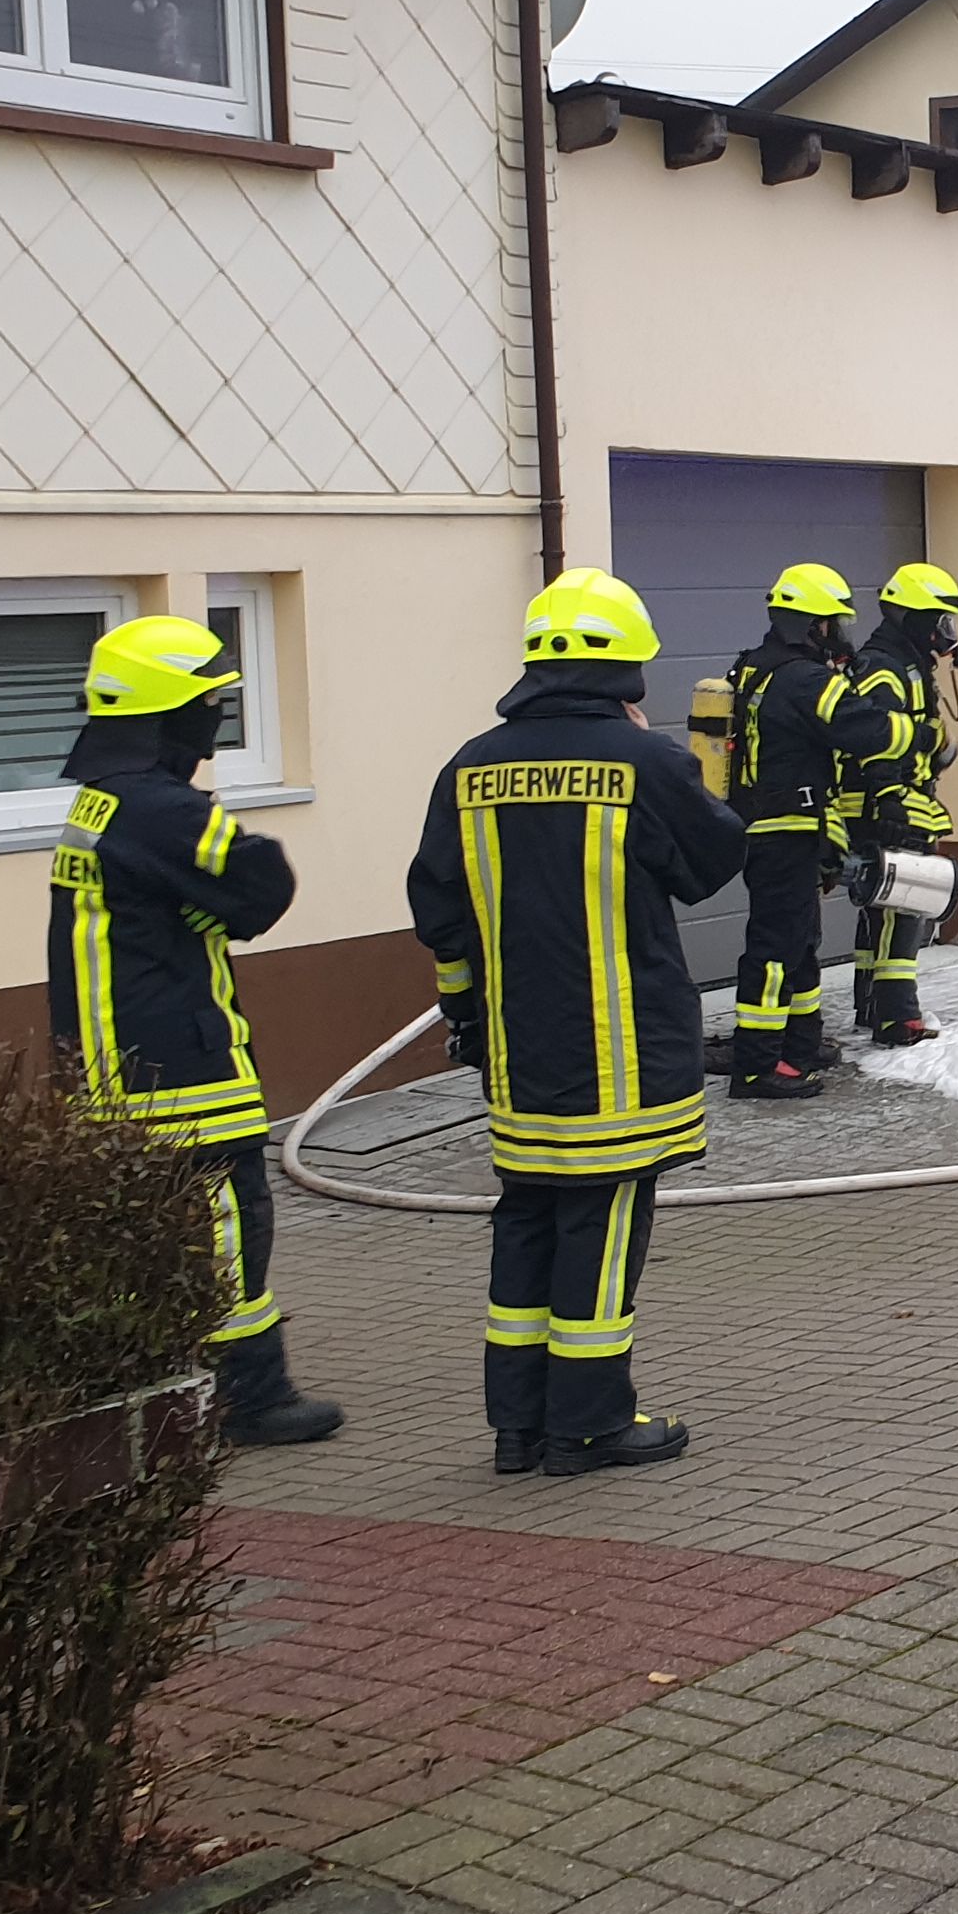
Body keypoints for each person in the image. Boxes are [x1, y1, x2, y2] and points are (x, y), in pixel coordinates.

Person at [409, 570, 740, 1478]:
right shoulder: (644, 764)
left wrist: (465, 1016)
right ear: (629, 668)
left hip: (519, 1050)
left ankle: (516, 1426)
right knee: (603, 1220)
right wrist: (700, 767)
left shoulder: (469, 765)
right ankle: (589, 1425)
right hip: (622, 1048)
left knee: (528, 1219)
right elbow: (710, 862)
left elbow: (439, 911)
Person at [47, 616, 342, 1446]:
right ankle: (250, 1395)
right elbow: (256, 887)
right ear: (171, 713)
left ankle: (152, 1387)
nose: (217, 721)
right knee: (226, 1219)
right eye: (210, 704)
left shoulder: (102, 803)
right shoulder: (164, 812)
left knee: (144, 1235)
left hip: (105, 1059)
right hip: (174, 1063)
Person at [718, 564, 897, 1101]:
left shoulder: (755, 667)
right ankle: (755, 1067)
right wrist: (918, 734)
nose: (841, 634)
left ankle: (800, 1044)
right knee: (775, 948)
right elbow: (862, 728)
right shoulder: (804, 677)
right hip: (784, 831)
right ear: (813, 625)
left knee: (800, 941)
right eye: (834, 623)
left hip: (785, 825)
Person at [843, 563, 958, 1047]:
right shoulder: (884, 667)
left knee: (880, 903)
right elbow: (874, 735)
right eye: (941, 620)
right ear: (915, 617)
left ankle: (871, 1006)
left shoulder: (906, 661)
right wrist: (891, 797)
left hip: (897, 797)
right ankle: (899, 1019)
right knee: (905, 901)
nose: (947, 633)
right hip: (887, 801)